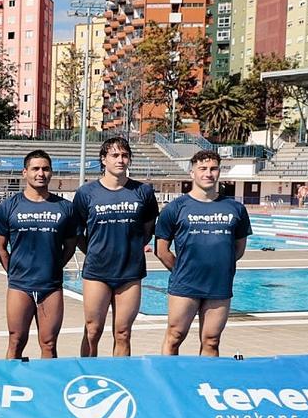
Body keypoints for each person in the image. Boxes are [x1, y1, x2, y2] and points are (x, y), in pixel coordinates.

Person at [154, 150, 252, 357]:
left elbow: (239, 249)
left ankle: (207, 384)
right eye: (203, 169)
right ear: (192, 173)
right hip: (185, 284)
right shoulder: (175, 208)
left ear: (219, 172)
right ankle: (169, 383)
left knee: (212, 341)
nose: (208, 173)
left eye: (213, 169)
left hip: (219, 284)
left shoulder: (235, 208)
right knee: (175, 335)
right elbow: (161, 250)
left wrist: (218, 266)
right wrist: (183, 270)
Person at [72, 137, 159, 357]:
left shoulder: (143, 192)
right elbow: (78, 232)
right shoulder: (86, 193)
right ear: (104, 159)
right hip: (97, 272)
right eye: (114, 155)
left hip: (130, 272)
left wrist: (134, 248)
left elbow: (148, 227)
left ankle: (119, 376)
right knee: (93, 329)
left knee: (122, 332)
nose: (120, 160)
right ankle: (88, 373)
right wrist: (94, 251)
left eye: (125, 155)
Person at [0, 150, 78, 359]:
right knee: (16, 340)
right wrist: (13, 270)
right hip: (20, 285)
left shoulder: (65, 208)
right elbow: (1, 247)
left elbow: (70, 245)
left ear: (51, 173)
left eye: (46, 169)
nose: (41, 173)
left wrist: (55, 266)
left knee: (49, 344)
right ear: (25, 172)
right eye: (35, 169)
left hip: (51, 286)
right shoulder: (8, 207)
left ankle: (47, 388)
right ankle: (11, 383)